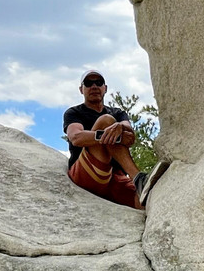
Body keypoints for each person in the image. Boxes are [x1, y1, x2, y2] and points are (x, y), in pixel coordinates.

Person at [63, 69, 148, 209]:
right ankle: (138, 178)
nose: (94, 86)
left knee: (147, 199)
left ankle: (142, 185)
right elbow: (76, 137)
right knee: (106, 121)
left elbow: (130, 136)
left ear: (105, 88)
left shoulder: (118, 113)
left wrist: (120, 128)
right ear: (81, 89)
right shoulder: (74, 113)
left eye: (99, 82)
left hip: (115, 178)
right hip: (88, 173)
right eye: (88, 83)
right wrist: (109, 136)